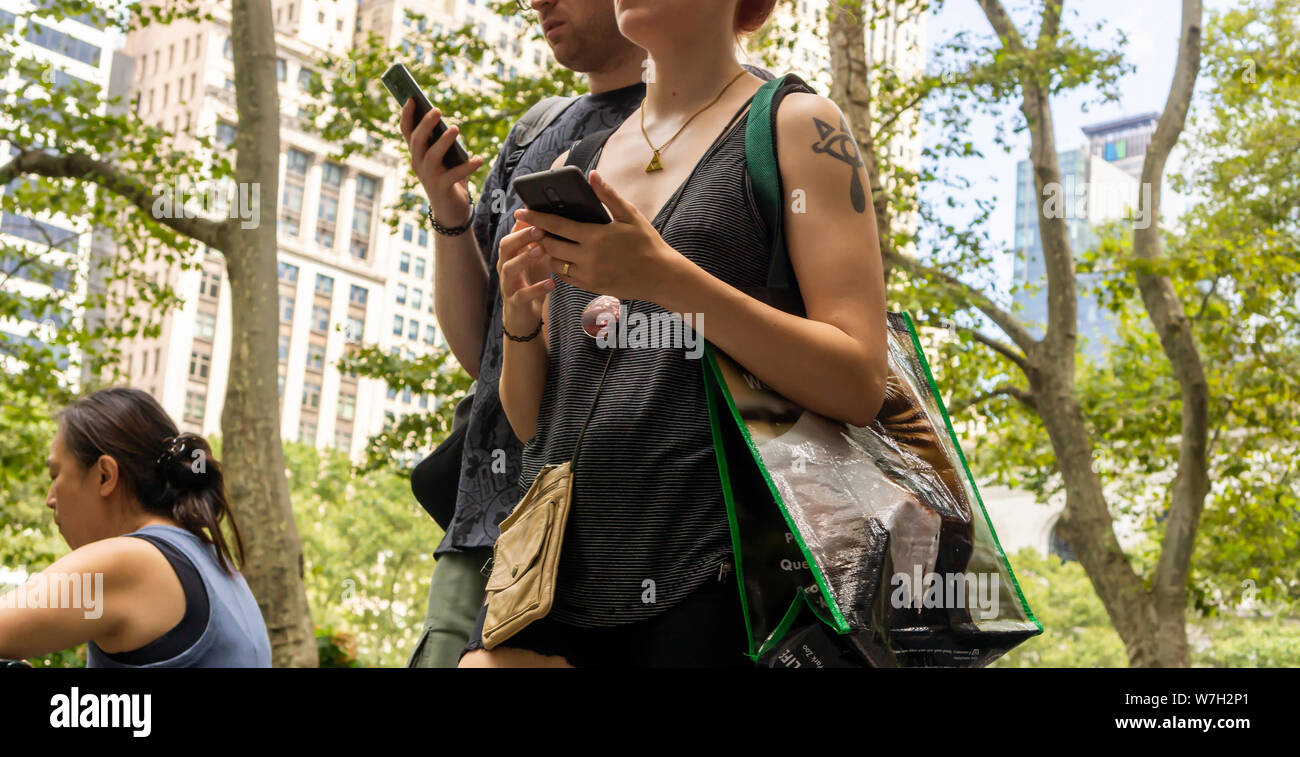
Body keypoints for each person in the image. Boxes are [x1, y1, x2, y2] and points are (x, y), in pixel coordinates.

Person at [461, 0, 889, 667]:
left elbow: (861, 378)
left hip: (711, 591)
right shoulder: (583, 158)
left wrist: (668, 279)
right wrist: (519, 327)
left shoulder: (799, 126)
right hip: (546, 589)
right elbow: (531, 425)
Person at [400, 0, 648, 668]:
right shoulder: (536, 131)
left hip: (618, 538)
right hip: (487, 522)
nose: (537, 1)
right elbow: (477, 351)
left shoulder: (718, 123)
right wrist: (449, 207)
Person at [0, 387, 272, 667]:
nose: (50, 499)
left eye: (56, 474)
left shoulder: (131, 561)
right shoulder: (213, 562)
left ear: (105, 475)